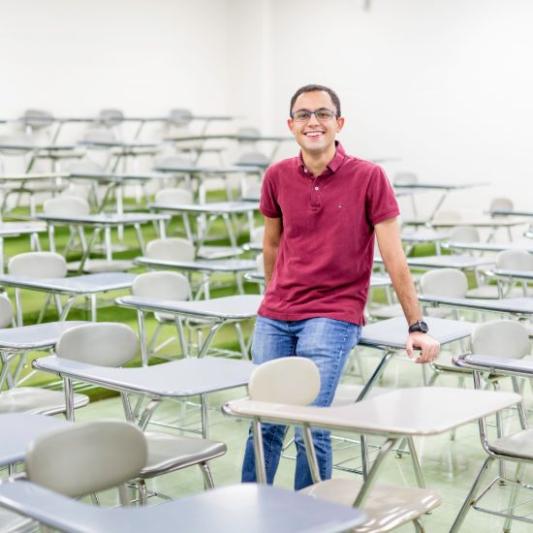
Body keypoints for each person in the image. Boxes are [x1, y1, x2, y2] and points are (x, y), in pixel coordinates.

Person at [241, 83, 440, 490]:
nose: (313, 122)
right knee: (264, 423)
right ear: (291, 125)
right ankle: (250, 512)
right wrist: (271, 295)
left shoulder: (368, 177)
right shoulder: (277, 175)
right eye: (303, 115)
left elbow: (394, 258)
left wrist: (416, 325)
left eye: (323, 114)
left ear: (339, 123)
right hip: (276, 316)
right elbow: (272, 243)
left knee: (312, 424)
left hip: (332, 315)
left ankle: (310, 518)